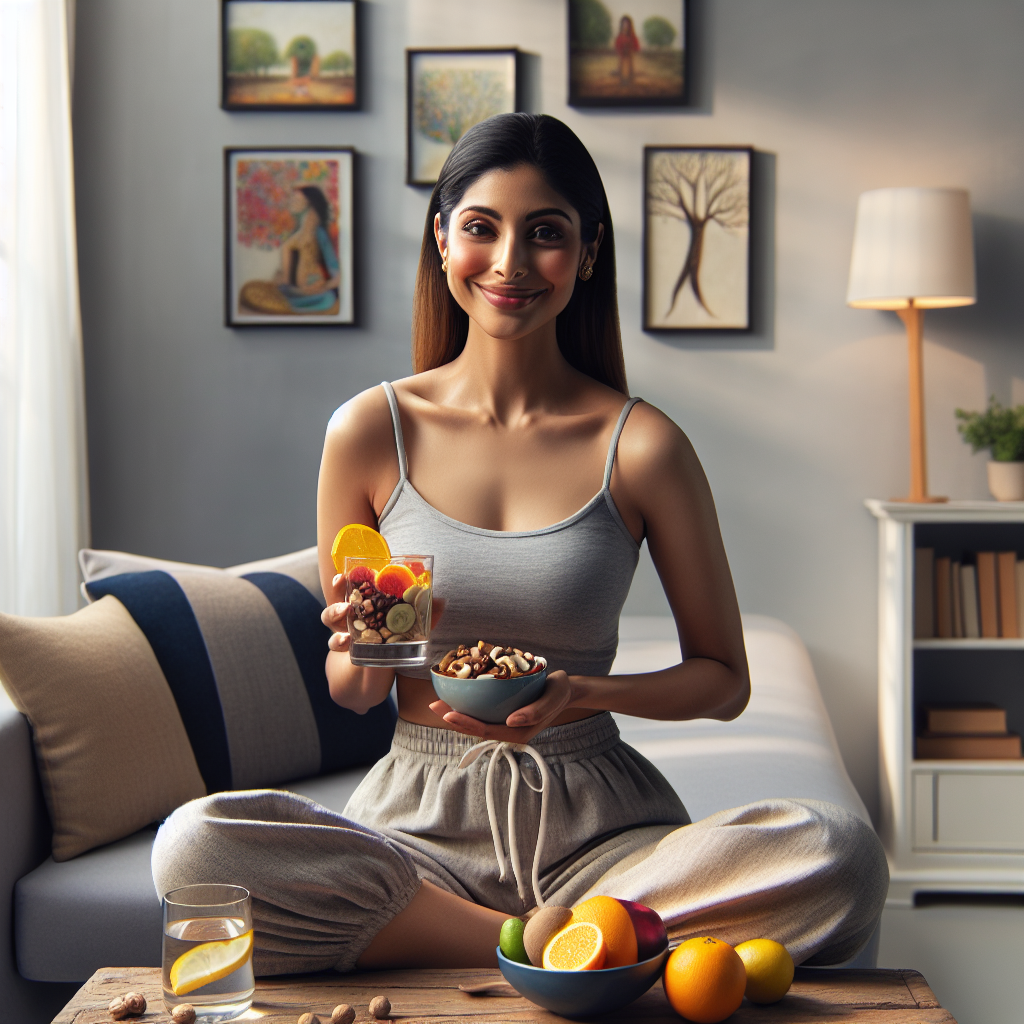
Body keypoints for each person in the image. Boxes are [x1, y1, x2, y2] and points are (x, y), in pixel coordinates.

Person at [153, 113, 887, 977]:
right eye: (481, 227)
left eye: (545, 233)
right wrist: (363, 639)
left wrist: (581, 692)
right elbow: (354, 694)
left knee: (838, 852)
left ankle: (553, 935)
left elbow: (724, 682)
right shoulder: (369, 431)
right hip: (417, 834)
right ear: (442, 239)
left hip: (603, 833)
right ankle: (552, 949)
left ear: (587, 253)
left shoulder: (643, 446)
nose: (508, 263)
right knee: (194, 846)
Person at [239, 185, 340, 316]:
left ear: (309, 204)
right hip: (294, 292)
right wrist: (283, 281)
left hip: (317, 294)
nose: (291, 202)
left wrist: (324, 286)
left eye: (297, 200)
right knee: (250, 290)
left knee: (327, 299)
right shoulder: (297, 234)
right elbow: (286, 277)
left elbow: (337, 272)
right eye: (292, 199)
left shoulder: (319, 233)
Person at [614, 15, 640, 85]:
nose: (625, 26)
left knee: (629, 67)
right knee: (622, 67)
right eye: (624, 24)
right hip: (622, 57)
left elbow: (636, 47)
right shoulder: (619, 37)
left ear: (629, 25)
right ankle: (622, 79)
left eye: (627, 24)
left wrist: (630, 51)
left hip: (629, 57)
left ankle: (629, 79)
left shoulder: (632, 36)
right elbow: (617, 47)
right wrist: (621, 52)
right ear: (621, 25)